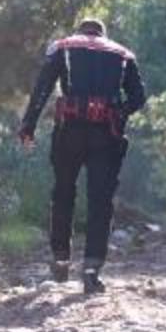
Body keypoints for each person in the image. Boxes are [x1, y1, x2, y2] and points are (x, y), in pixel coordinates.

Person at [18, 18, 146, 293]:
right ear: (102, 34)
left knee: (63, 193)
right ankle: (91, 270)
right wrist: (118, 112)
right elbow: (138, 97)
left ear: (81, 31)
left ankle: (61, 260)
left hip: (69, 132)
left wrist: (28, 125)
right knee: (101, 200)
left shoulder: (63, 47)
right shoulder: (123, 54)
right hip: (106, 134)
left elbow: (42, 89)